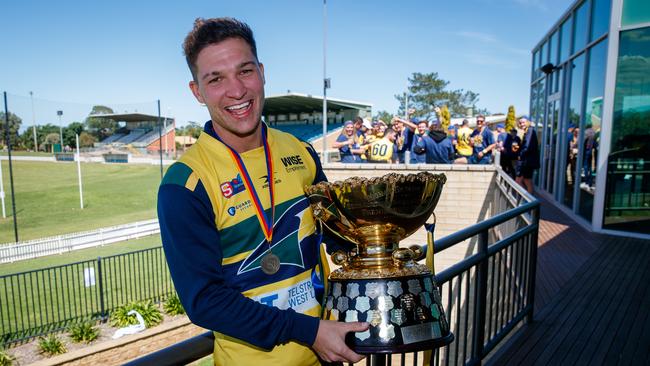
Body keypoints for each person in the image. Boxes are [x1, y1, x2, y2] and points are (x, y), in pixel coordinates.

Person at [157, 18, 368, 365]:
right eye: (216, 79)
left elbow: (338, 232)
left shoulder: (301, 151)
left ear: (262, 72)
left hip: (326, 356)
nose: (236, 90)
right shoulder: (185, 184)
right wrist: (309, 331)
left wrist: (380, 260)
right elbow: (205, 301)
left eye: (245, 71)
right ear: (197, 91)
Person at [515, 116, 540, 194]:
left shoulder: (530, 131)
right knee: (523, 180)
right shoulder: (527, 131)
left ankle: (528, 200)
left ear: (528, 122)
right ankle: (527, 199)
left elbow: (527, 146)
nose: (522, 124)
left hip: (527, 161)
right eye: (520, 122)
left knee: (524, 180)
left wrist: (520, 155)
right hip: (526, 160)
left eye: (523, 122)